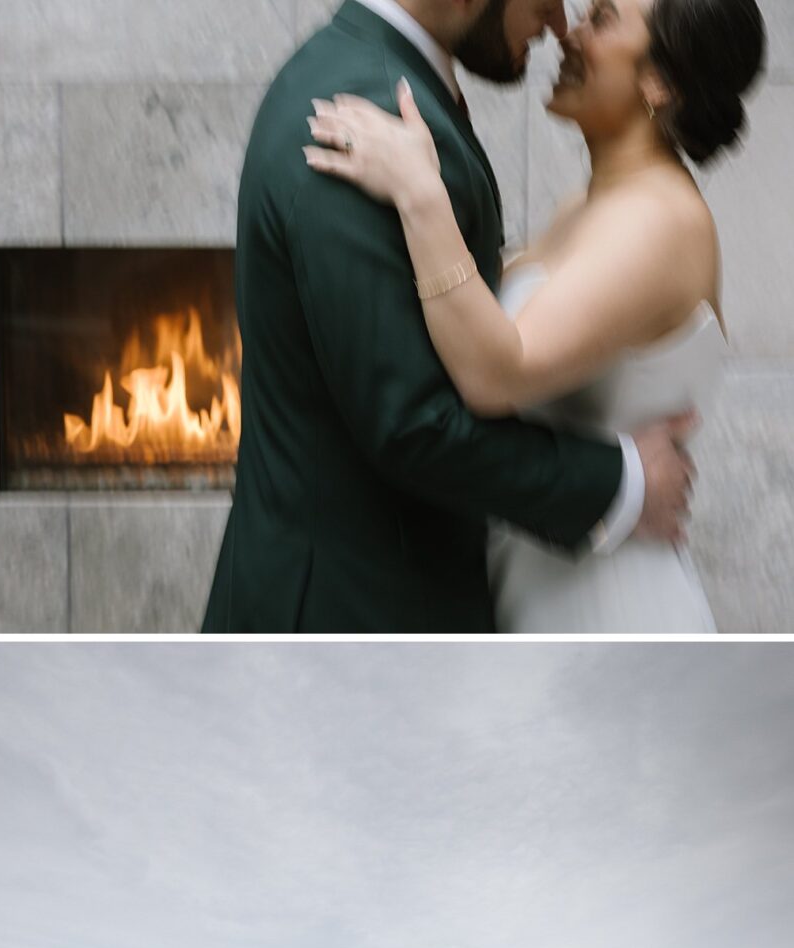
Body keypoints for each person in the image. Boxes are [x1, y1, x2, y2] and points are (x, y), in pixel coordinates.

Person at [203, 0, 695, 635]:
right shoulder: (364, 112)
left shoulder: (371, 74)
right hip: (348, 617)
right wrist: (622, 483)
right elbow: (412, 424)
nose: (554, 25)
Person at [304, 0, 766, 630]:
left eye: (602, 19)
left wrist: (419, 193)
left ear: (661, 80)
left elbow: (498, 375)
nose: (567, 35)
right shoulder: (590, 204)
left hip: (607, 609)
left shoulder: (662, 220)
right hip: (542, 586)